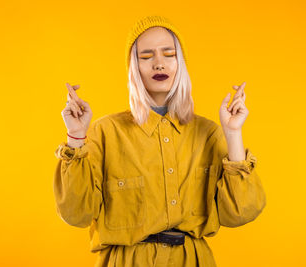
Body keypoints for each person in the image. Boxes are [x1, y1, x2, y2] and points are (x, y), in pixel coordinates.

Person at [53, 15, 267, 267]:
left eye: (169, 54)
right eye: (146, 57)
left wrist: (233, 134)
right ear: (133, 67)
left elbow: (241, 213)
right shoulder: (106, 132)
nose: (158, 64)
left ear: (181, 63)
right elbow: (76, 214)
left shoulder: (207, 133)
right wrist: (76, 137)